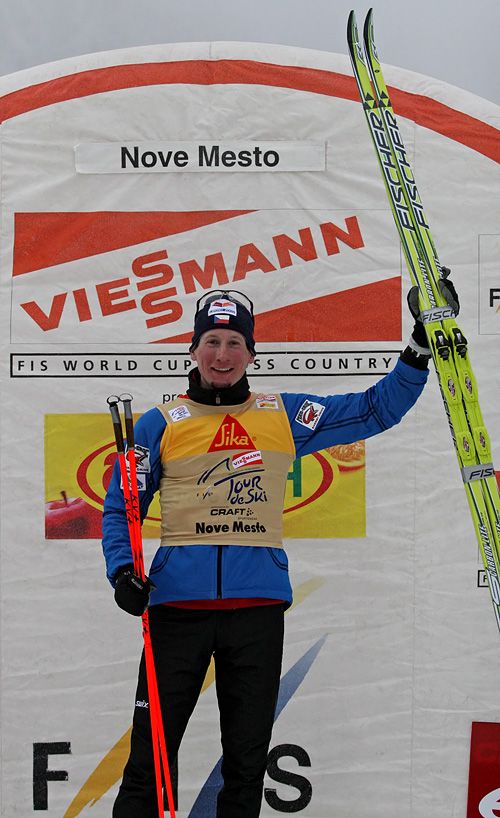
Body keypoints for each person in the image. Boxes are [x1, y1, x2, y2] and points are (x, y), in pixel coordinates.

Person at [102, 282, 458, 818]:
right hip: (175, 611)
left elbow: (374, 410)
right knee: (148, 764)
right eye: (212, 342)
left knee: (245, 765)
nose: (222, 356)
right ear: (193, 350)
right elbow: (119, 508)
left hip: (257, 613)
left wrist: (418, 348)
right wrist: (122, 572)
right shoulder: (158, 424)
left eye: (234, 344)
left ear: (252, 353)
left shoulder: (282, 415)